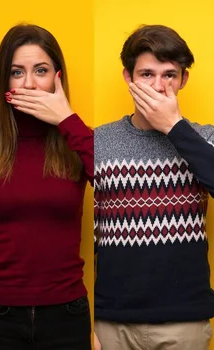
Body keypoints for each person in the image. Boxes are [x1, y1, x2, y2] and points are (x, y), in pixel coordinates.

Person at [94, 24, 214, 350]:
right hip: (112, 322)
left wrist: (174, 127)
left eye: (169, 75)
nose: (159, 87)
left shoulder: (204, 138)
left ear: (184, 80)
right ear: (128, 77)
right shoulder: (98, 141)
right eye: (147, 74)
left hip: (184, 322)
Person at [0, 24, 94, 350]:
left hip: (65, 312)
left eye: (40, 71)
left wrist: (66, 119)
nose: (28, 83)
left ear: (58, 77)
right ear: (4, 82)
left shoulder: (78, 139)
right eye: (17, 72)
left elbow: (112, 185)